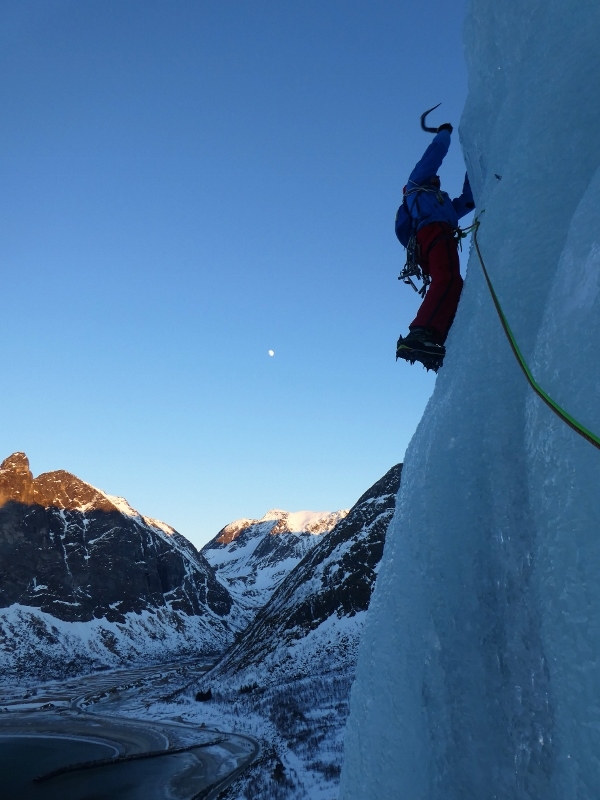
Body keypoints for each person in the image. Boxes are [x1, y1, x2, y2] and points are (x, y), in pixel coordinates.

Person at [395, 122, 475, 368]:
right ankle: (422, 332)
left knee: (452, 283)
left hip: (430, 240)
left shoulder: (441, 203)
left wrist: (473, 168)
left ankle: (438, 335)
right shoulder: (417, 186)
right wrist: (444, 133)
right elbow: (435, 154)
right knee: (448, 280)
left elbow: (468, 202)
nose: (437, 178)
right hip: (434, 233)